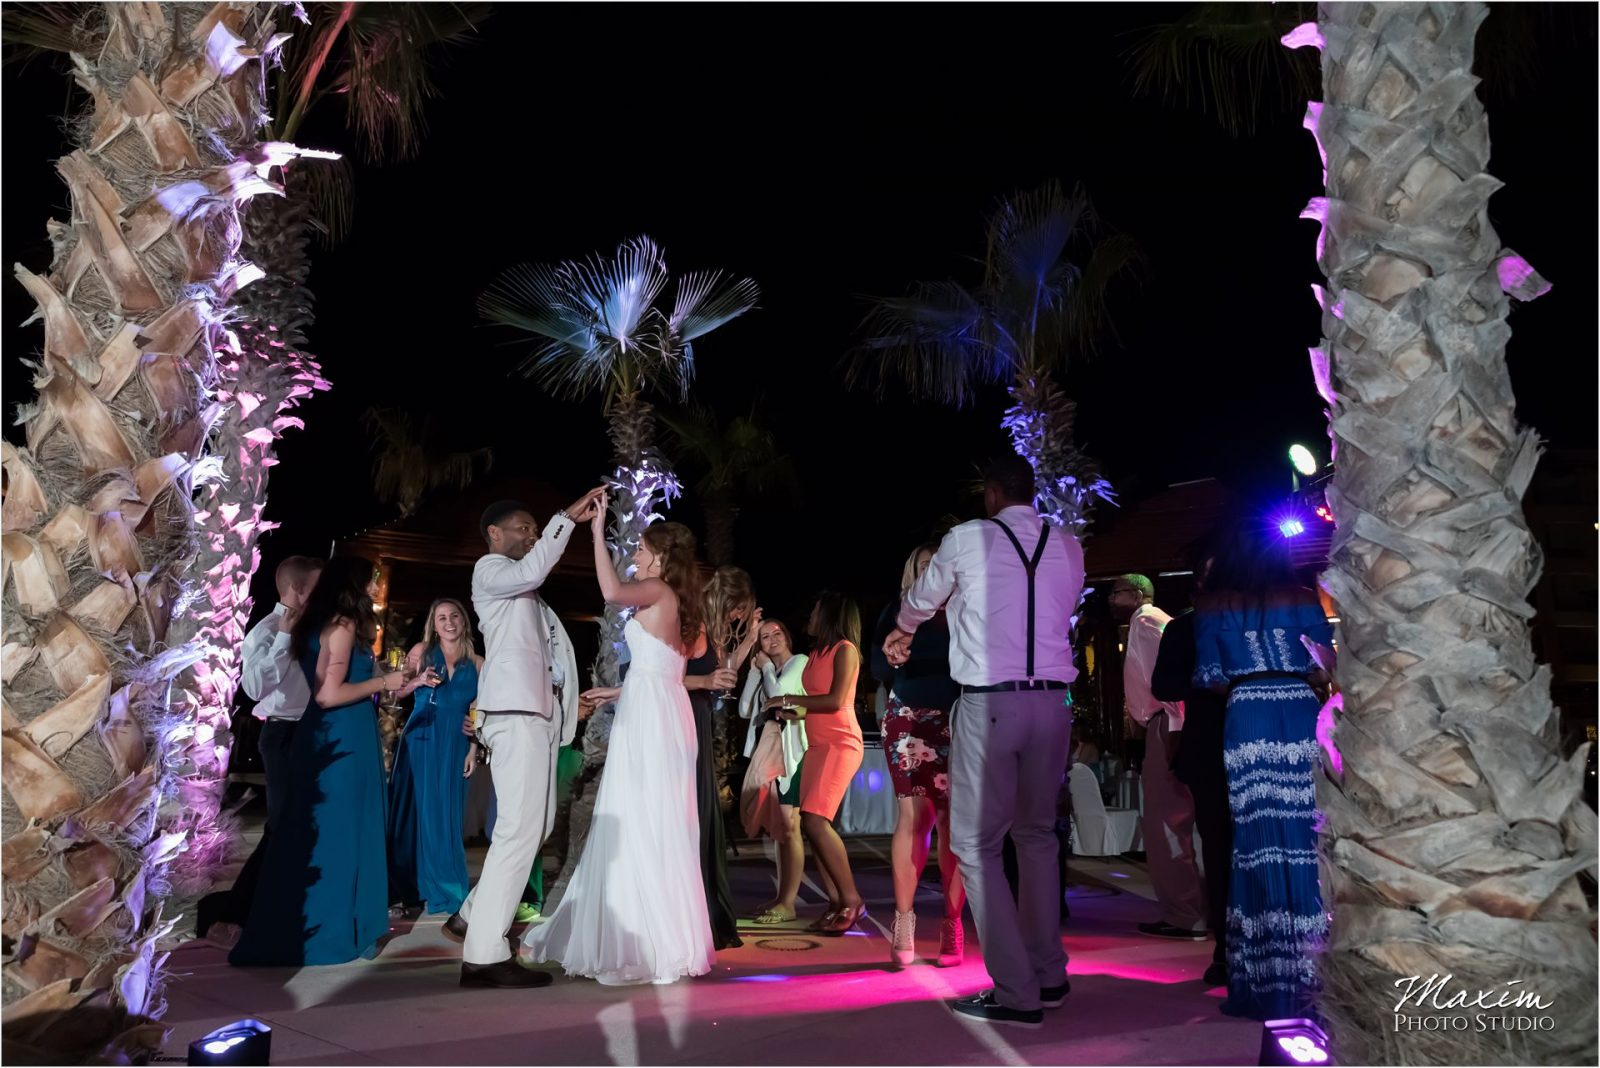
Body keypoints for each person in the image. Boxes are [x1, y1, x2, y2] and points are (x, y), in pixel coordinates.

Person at [884, 454, 1085, 1028]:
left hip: (992, 700)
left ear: (993, 493)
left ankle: (1017, 990)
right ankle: (1049, 974)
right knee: (1038, 835)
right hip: (1053, 703)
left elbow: (921, 600)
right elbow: (1062, 609)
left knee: (975, 844)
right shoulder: (1068, 545)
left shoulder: (967, 537)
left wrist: (904, 629)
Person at [520, 510, 715, 985]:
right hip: (664, 710)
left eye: (643, 549)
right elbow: (664, 670)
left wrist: (594, 532)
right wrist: (618, 691)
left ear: (663, 557)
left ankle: (640, 940)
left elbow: (609, 594)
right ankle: (663, 937)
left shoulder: (659, 590)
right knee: (659, 820)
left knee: (636, 818)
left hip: (652, 717)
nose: (636, 555)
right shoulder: (686, 604)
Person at [231, 556, 426, 967]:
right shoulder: (341, 626)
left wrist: (401, 682)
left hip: (347, 731)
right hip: (338, 734)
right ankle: (336, 929)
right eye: (371, 581)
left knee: (351, 830)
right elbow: (326, 695)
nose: (376, 589)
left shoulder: (339, 626)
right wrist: (381, 682)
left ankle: (355, 923)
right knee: (338, 835)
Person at [446, 491, 602, 990]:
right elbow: (532, 570)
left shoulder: (527, 595)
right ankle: (485, 955)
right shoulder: (490, 571)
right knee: (519, 830)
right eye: (524, 527)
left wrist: (566, 705)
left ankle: (472, 914)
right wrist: (563, 521)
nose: (533, 536)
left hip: (535, 718)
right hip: (514, 717)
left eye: (537, 529)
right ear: (494, 533)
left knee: (537, 825)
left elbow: (548, 661)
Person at [1193, 525, 1331, 1020]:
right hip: (1298, 710)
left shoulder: (1212, 604)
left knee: (1255, 842)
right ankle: (1315, 973)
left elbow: (1209, 676)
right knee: (1304, 834)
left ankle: (1264, 979)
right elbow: (1325, 664)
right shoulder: (1299, 595)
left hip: (1246, 712)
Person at [196, 555, 322, 947]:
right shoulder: (266, 631)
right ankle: (228, 913)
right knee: (281, 826)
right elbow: (253, 688)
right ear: (297, 589)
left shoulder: (315, 628)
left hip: (312, 733)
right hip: (281, 735)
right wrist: (284, 637)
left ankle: (275, 908)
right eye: (317, 586)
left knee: (301, 826)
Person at [871, 543, 967, 968]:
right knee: (913, 818)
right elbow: (877, 665)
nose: (933, 573)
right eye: (925, 567)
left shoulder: (964, 609)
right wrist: (894, 657)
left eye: (938, 567)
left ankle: (952, 923)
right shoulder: (897, 610)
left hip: (959, 718)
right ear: (913, 573)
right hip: (907, 716)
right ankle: (905, 920)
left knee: (951, 821)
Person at [1112, 573, 1207, 942]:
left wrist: (1176, 724)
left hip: (1167, 723)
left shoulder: (1149, 620)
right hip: (1166, 722)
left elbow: (1170, 675)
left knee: (1166, 821)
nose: (1109, 600)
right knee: (1172, 820)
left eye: (1116, 592)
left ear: (1137, 594)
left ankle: (1185, 916)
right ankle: (1191, 911)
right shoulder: (1144, 622)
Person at [1152, 552, 1232, 988]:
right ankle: (1229, 949)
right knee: (1220, 848)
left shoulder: (1200, 625)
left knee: (1224, 849)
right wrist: (1209, 680)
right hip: (1210, 746)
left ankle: (1236, 950)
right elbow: (1162, 686)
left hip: (1223, 743)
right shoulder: (1186, 627)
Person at [765, 592, 866, 934]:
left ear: (830, 615)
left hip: (840, 743)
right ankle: (836, 902)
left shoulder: (845, 650)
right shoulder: (817, 654)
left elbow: (837, 700)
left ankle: (852, 901)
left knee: (816, 821)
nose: (810, 614)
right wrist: (794, 712)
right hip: (817, 744)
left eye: (816, 610)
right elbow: (815, 703)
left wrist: (789, 697)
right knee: (813, 824)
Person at [387, 599, 479, 918]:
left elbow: (480, 709)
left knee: (446, 814)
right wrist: (417, 682)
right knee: (414, 814)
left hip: (455, 742)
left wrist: (474, 745)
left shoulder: (479, 663)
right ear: (434, 624)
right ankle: (406, 888)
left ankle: (445, 884)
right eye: (442, 618)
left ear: (464, 621)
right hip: (421, 737)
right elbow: (395, 692)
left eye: (454, 616)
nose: (449, 622)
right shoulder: (421, 651)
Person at [684, 566, 758, 950]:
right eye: (737, 611)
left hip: (700, 720)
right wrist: (705, 683)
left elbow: (723, 675)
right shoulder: (689, 620)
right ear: (724, 600)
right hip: (680, 719)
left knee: (705, 816)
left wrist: (747, 643)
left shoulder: (712, 634)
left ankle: (712, 916)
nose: (736, 620)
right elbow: (658, 675)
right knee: (691, 815)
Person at [736, 618, 811, 924]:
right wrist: (755, 670)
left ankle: (790, 901)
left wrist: (766, 668)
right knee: (781, 830)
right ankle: (783, 898)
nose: (771, 638)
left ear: (787, 635)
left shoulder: (798, 662)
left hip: (794, 752)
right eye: (764, 637)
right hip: (771, 750)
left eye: (776, 632)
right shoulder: (768, 670)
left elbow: (779, 693)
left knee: (790, 824)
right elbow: (744, 708)